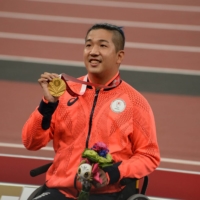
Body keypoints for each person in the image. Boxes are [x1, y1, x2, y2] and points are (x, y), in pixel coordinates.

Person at [22, 23, 160, 200]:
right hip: (60, 191)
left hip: (108, 193)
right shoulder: (63, 93)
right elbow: (30, 142)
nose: (93, 51)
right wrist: (47, 105)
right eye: (88, 45)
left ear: (119, 56)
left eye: (102, 45)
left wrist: (113, 173)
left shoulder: (135, 102)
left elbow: (149, 156)